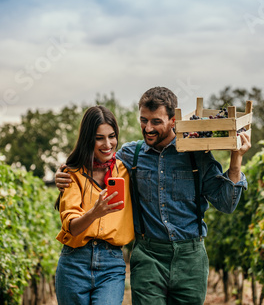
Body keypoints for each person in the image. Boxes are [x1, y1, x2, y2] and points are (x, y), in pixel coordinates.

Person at [56, 87, 251, 305]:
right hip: (149, 257)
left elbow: (226, 204)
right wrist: (63, 172)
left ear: (173, 121)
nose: (148, 128)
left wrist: (236, 159)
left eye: (156, 122)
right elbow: (98, 159)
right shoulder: (131, 155)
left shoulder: (197, 156)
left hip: (191, 259)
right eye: (143, 120)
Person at [54, 105, 134, 305]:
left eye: (112, 136)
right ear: (88, 139)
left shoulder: (127, 169)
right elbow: (71, 227)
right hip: (74, 263)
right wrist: (94, 213)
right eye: (99, 138)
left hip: (111, 262)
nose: (108, 144)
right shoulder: (72, 174)